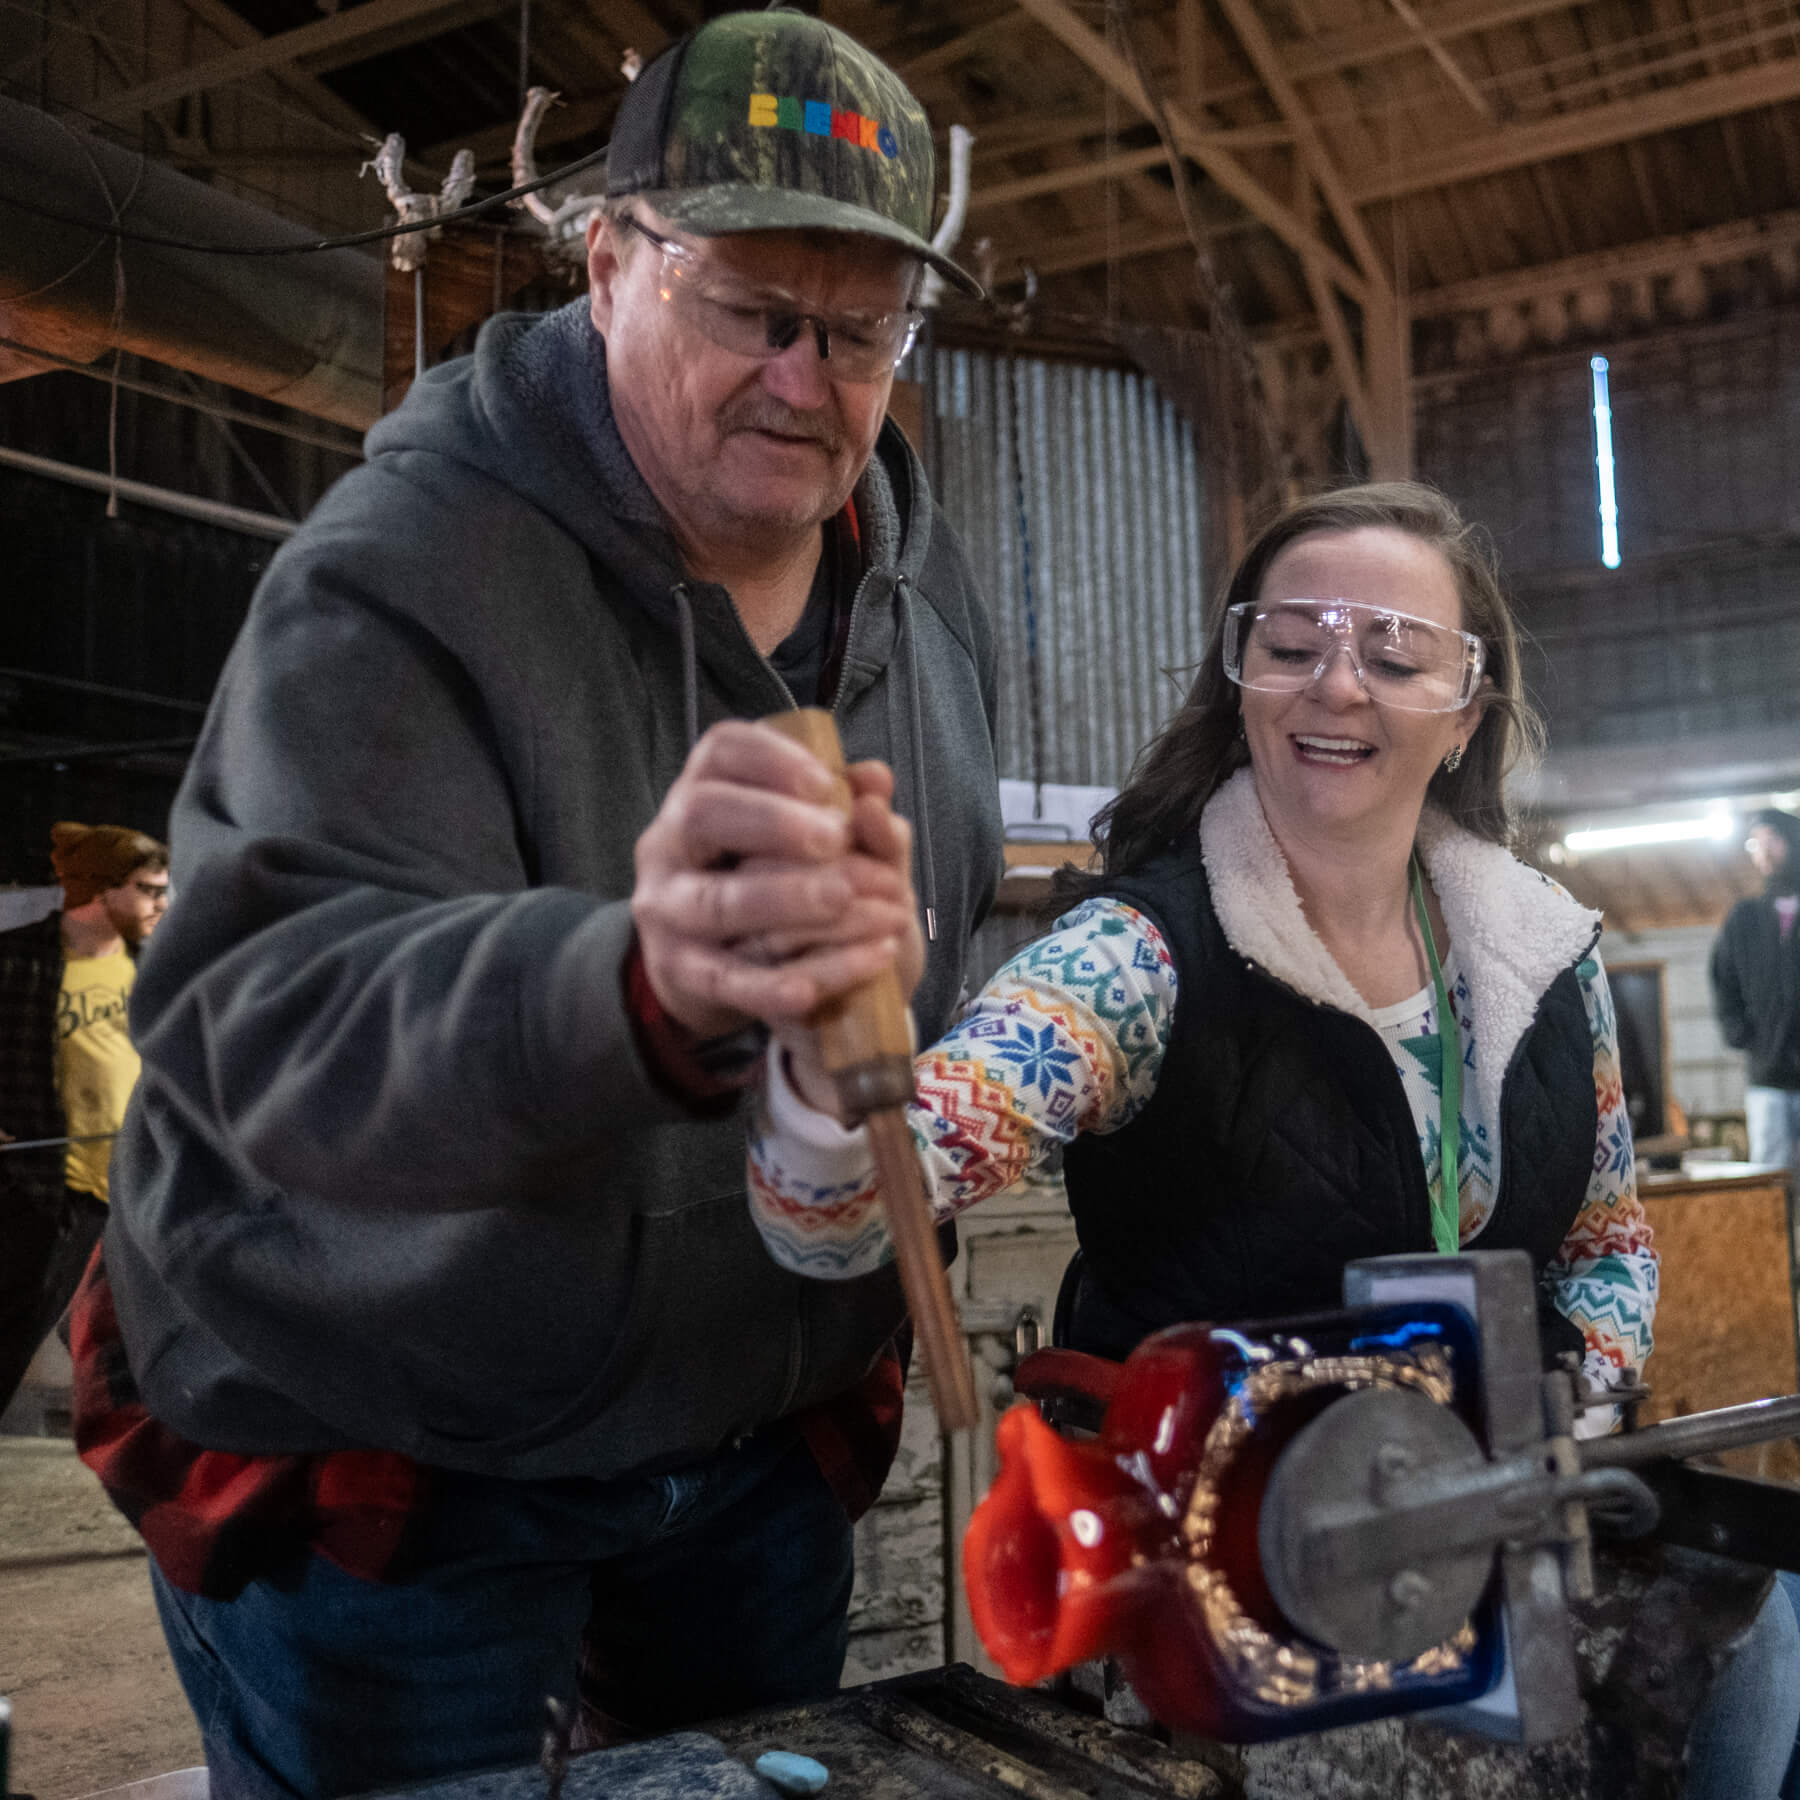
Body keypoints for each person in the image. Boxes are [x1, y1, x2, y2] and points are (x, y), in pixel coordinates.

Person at [69, 12, 1001, 1796]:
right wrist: (632, 986)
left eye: (865, 331)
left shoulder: (916, 596)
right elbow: (271, 1024)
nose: (812, 381)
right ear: (611, 261)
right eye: (755, 313)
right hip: (410, 1462)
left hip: (746, 1445)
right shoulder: (404, 570)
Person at [753, 481, 1655, 1408]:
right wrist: (825, 1074)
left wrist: (1568, 1410)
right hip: (1202, 1530)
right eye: (1293, 648)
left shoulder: (1548, 951)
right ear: (1240, 680)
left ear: (1466, 710)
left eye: (1392, 659)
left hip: (1489, 1524)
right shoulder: (1131, 961)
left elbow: (1608, 1246)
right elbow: (842, 1216)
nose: (1336, 686)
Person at [0, 822, 167, 1415]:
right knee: (14, 1331)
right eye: (149, 889)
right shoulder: (16, 960)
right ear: (100, 890)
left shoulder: (152, 968)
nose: (162, 903)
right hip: (42, 1187)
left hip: (130, 1189)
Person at [1710, 808, 1800, 1173]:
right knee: (1771, 1183)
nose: (1764, 852)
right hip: (1767, 1077)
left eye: (1772, 841)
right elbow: (1722, 980)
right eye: (1756, 844)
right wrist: (1742, 1033)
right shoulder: (1743, 918)